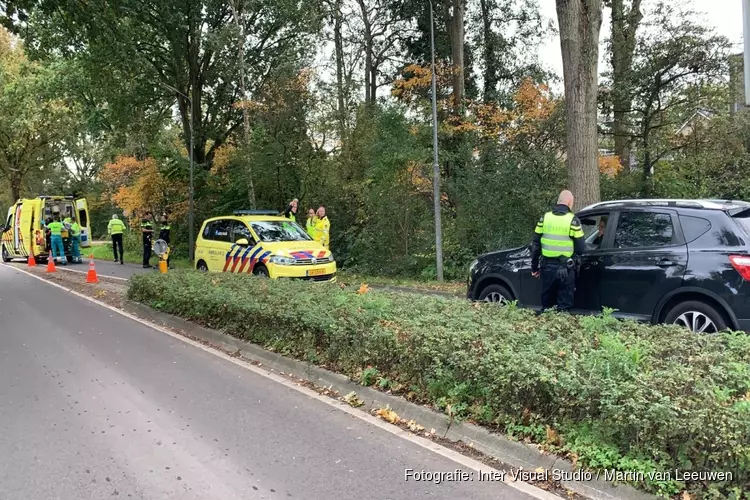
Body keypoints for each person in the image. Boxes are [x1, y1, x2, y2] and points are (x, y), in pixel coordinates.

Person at [530, 190, 585, 312]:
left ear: (558, 201)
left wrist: (534, 267)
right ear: (570, 203)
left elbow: (536, 246)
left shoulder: (544, 218)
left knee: (547, 306)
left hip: (547, 268)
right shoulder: (573, 221)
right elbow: (581, 249)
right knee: (564, 307)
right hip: (565, 269)